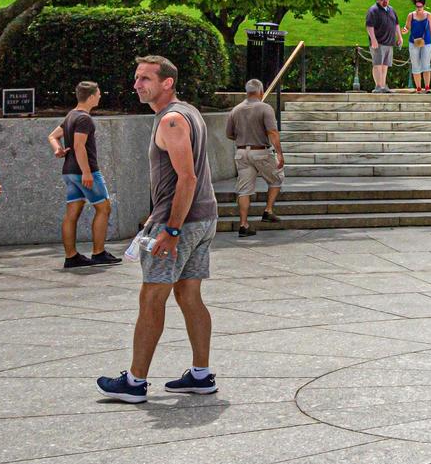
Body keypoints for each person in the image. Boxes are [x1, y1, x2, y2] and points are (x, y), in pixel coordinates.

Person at [97, 55, 219, 403]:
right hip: (203, 217)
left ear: (167, 82)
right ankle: (201, 375)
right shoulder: (189, 112)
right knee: (189, 295)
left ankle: (134, 383)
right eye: (136, 78)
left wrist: (172, 230)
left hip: (178, 222)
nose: (137, 84)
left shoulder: (171, 121)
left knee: (152, 297)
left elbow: (187, 178)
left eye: (146, 78)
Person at [48, 81, 119, 268]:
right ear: (91, 96)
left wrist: (58, 150)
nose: (101, 96)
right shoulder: (84, 119)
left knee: (72, 213)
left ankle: (71, 257)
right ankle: (99, 253)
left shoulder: (71, 115)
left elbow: (52, 136)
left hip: (69, 172)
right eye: (99, 94)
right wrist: (87, 172)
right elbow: (79, 146)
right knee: (104, 208)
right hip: (84, 172)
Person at [225, 78, 285, 238]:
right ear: (261, 92)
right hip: (261, 152)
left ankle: (243, 224)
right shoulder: (265, 108)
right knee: (277, 178)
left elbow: (229, 134)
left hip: (241, 153)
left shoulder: (235, 110)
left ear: (247, 92)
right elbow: (272, 132)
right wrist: (279, 153)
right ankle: (268, 210)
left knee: (244, 190)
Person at [365, 0, 402, 93]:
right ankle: (378, 86)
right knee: (377, 64)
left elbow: (396, 24)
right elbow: (369, 26)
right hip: (378, 42)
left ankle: (383, 85)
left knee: (385, 65)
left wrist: (399, 37)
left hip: (389, 43)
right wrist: (373, 40)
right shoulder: (373, 10)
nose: (385, 0)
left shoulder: (391, 10)